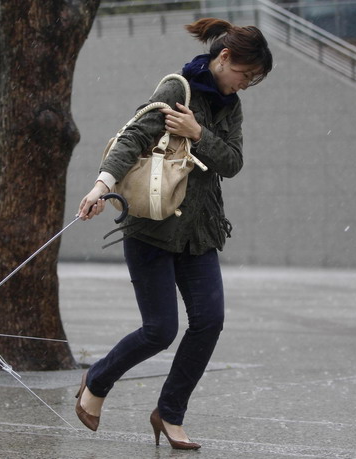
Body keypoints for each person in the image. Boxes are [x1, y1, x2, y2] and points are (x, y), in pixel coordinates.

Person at [75, 18, 273, 449]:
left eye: (253, 80)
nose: (245, 84)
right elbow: (131, 139)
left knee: (209, 322)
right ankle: (97, 380)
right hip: (152, 228)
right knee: (159, 330)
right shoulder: (175, 90)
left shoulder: (229, 106)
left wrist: (198, 134)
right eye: (245, 74)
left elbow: (233, 163)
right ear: (224, 58)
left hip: (200, 232)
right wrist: (101, 187)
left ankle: (169, 413)